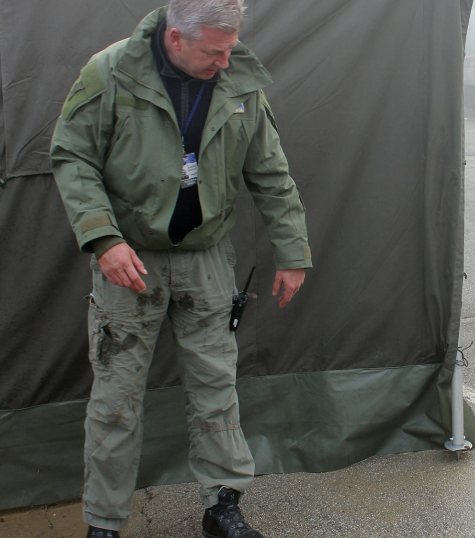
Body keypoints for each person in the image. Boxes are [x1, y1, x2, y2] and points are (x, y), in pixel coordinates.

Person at [50, 1, 311, 536]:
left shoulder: (238, 80)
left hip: (207, 260)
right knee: (115, 397)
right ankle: (104, 521)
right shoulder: (112, 72)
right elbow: (73, 156)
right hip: (129, 263)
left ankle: (223, 506)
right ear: (174, 38)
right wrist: (103, 238)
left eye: (230, 48)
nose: (224, 61)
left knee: (217, 385)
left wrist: (293, 253)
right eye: (213, 51)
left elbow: (270, 170)